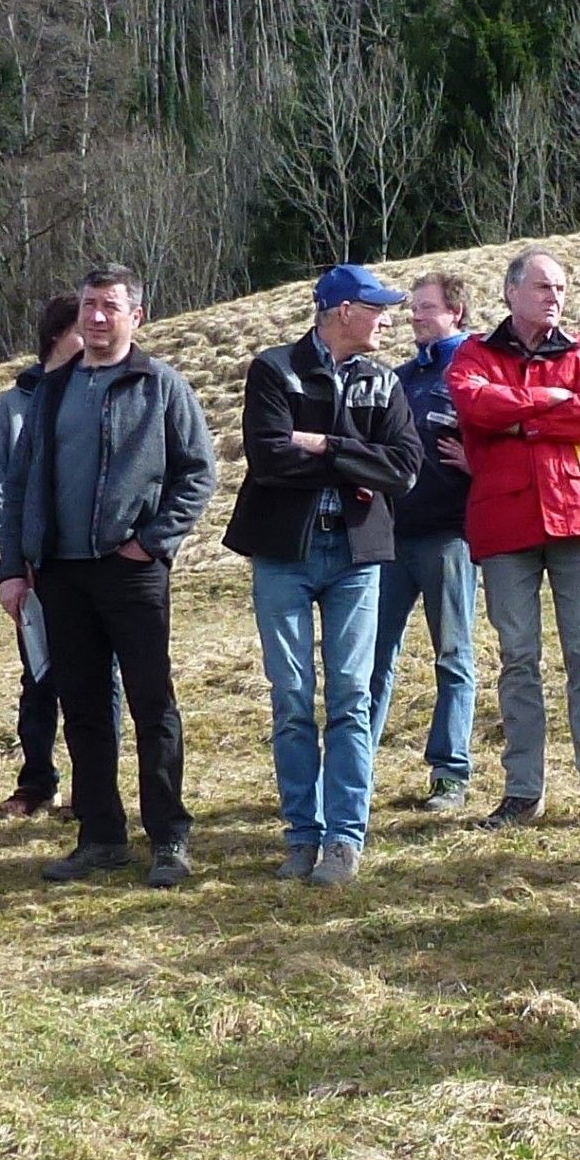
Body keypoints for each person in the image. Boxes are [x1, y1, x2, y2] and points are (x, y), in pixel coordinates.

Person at [0, 265, 219, 891]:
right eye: (89, 305)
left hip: (132, 574)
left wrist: (151, 543)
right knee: (83, 709)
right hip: (60, 575)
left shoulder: (161, 385)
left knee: (152, 705)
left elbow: (198, 474)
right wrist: (13, 566)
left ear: (135, 317)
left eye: (110, 306)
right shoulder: (51, 390)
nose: (96, 317)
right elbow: (19, 485)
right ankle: (100, 837)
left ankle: (168, 836)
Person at [225, 267, 424, 886]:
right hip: (284, 554)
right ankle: (301, 836)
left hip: (357, 558)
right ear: (342, 311)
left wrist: (324, 445)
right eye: (377, 307)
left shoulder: (383, 380)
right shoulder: (274, 369)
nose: (388, 319)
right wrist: (355, 460)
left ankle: (343, 840)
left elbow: (405, 468)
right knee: (291, 698)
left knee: (351, 698)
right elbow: (269, 458)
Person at [445, 249, 580, 834]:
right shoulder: (474, 353)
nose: (555, 297)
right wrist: (552, 401)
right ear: (511, 291)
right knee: (517, 658)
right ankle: (522, 793)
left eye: (562, 288)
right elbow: (474, 405)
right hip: (505, 522)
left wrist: (519, 420)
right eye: (544, 286)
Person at [371, 271, 481, 814]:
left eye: (426, 307)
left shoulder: (475, 370)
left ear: (455, 312)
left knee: (453, 656)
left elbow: (506, 441)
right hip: (390, 539)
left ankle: (449, 773)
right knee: (371, 658)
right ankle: (353, 767)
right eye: (413, 307)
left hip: (449, 537)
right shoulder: (399, 378)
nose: (414, 315)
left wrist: (480, 463)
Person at [0, 297, 85, 820]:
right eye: (82, 326)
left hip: (94, 566)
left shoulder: (101, 394)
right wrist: (18, 556)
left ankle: (93, 788)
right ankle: (37, 783)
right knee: (38, 677)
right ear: (57, 336)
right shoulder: (12, 409)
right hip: (35, 569)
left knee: (99, 681)